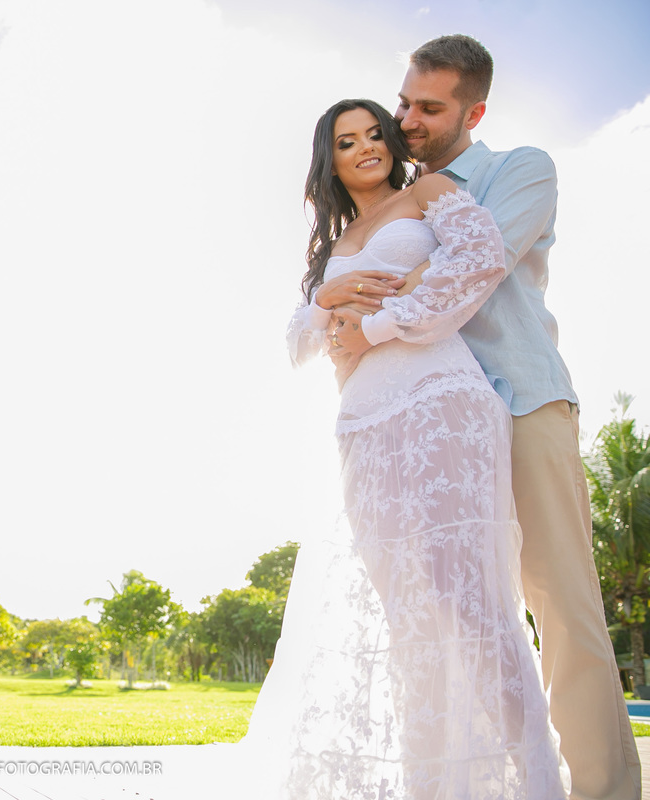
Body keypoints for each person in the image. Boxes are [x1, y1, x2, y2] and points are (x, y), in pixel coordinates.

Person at [328, 35, 640, 800]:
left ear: (475, 110)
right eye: (403, 101)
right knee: (446, 622)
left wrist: (356, 302)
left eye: (429, 108)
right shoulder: (401, 199)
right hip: (436, 429)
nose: (408, 119)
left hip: (523, 401)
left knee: (561, 610)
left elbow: (479, 261)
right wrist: (334, 298)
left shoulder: (519, 169)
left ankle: (605, 792)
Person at [245, 97, 569, 798]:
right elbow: (298, 343)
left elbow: (480, 261)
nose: (365, 148)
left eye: (372, 134)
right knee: (406, 617)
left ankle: (534, 781)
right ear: (328, 160)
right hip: (362, 426)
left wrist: (376, 327)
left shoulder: (429, 190)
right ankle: (432, 785)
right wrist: (332, 296)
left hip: (440, 406)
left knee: (470, 602)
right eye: (345, 141)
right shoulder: (334, 245)